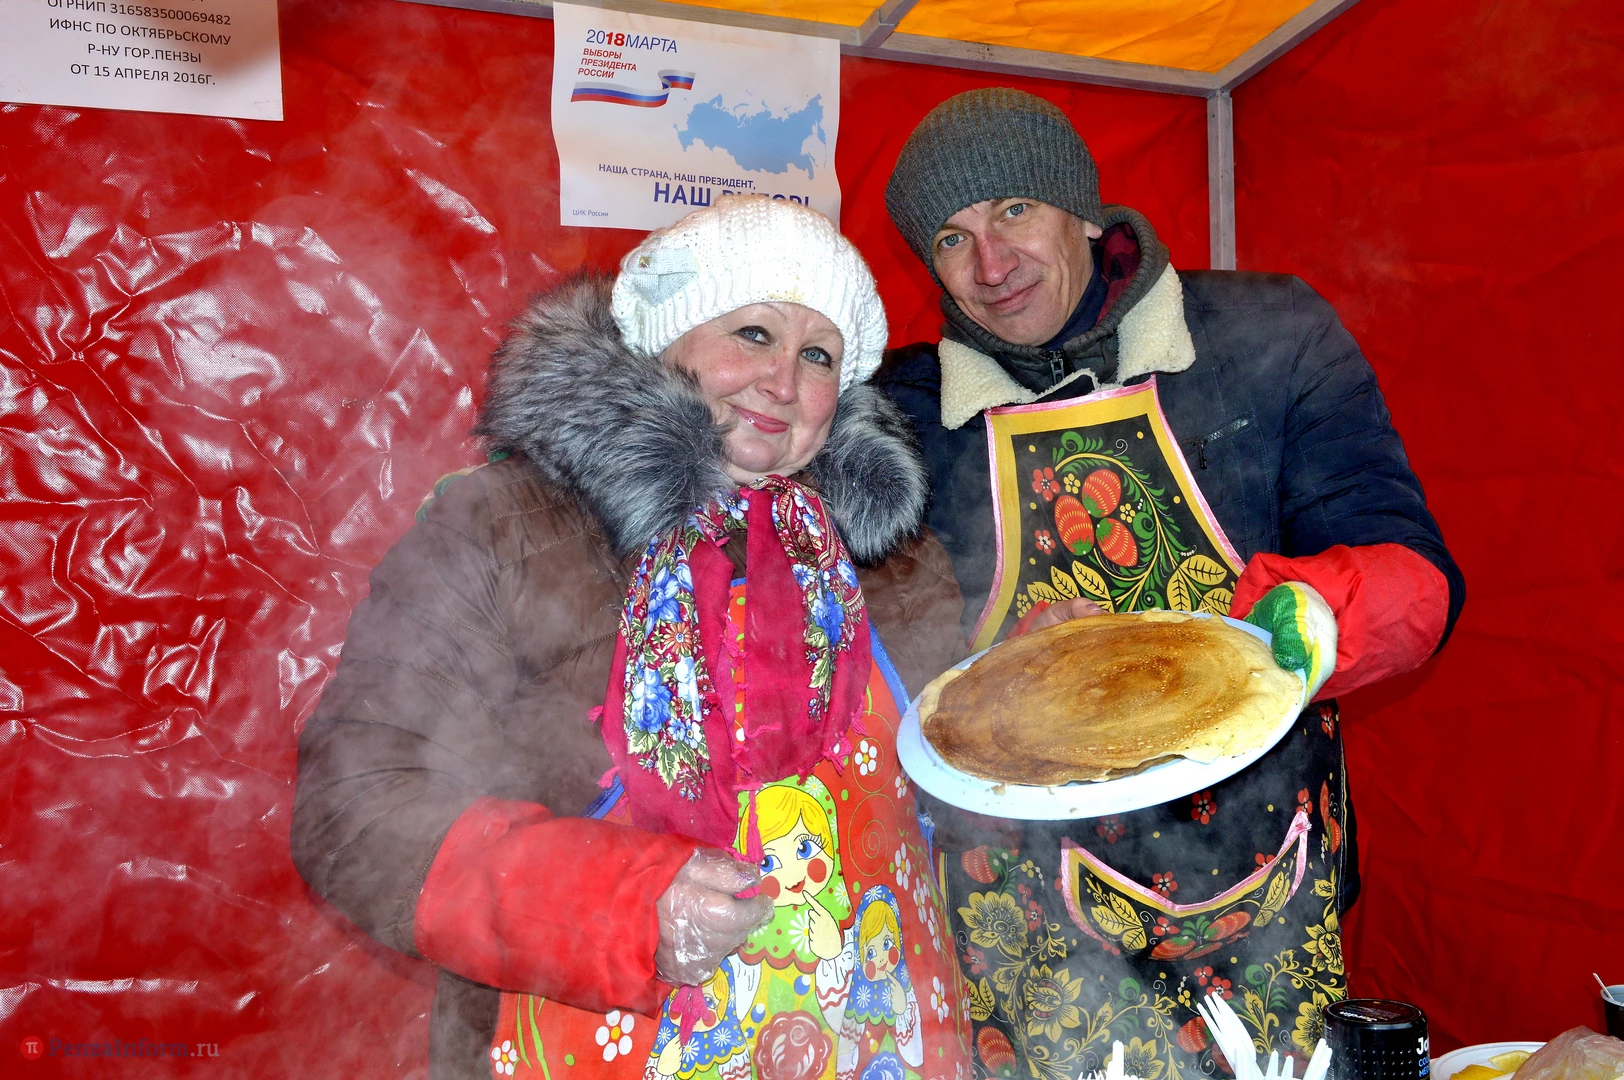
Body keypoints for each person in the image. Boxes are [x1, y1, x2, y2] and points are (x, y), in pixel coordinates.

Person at [291, 197, 973, 1080]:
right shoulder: (505, 528)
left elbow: (955, 789)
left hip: (882, 1042)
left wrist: (1030, 701)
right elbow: (352, 810)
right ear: (665, 338)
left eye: (818, 356)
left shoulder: (892, 560)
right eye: (754, 333)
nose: (783, 382)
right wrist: (616, 904)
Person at [874, 88, 1465, 1079]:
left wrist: (1314, 615)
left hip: (1263, 868)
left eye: (1014, 210)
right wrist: (985, 662)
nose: (991, 264)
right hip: (1023, 904)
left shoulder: (1264, 335)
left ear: (1079, 208)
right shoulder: (902, 414)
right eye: (951, 238)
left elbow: (1414, 572)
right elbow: (866, 646)